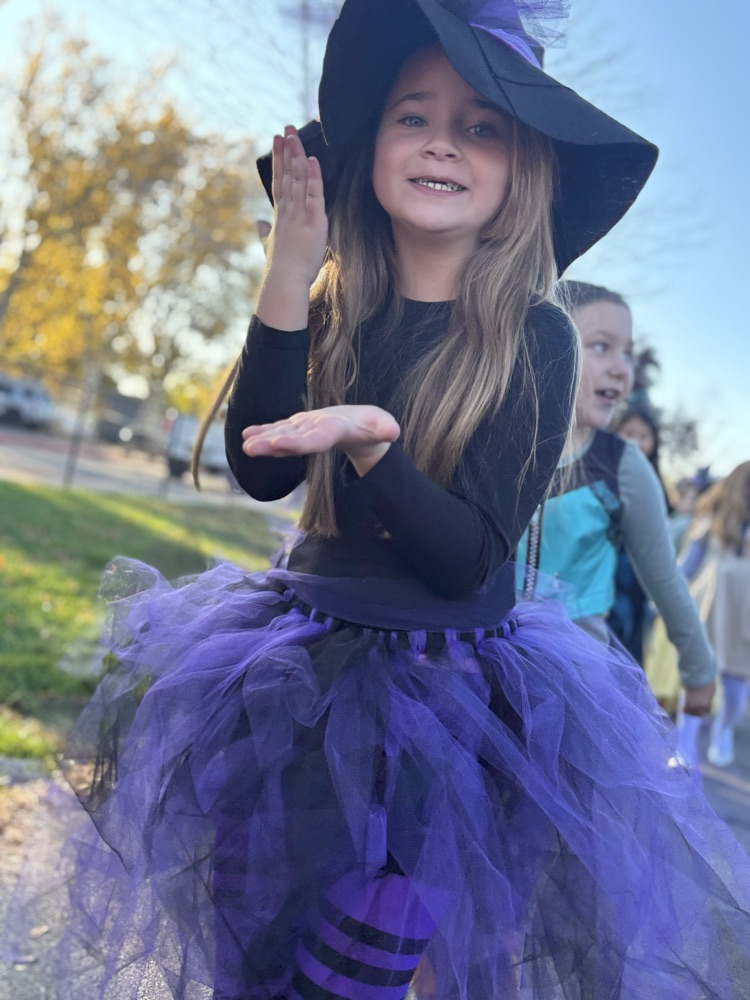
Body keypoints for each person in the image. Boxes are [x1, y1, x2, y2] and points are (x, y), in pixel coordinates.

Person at [8, 3, 750, 999]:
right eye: (414, 114)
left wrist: (369, 445)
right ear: (375, 149)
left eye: (482, 124)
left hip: (449, 711)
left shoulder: (538, 339)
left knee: (353, 968)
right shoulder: (331, 299)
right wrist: (287, 264)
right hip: (292, 683)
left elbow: (464, 556)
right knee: (254, 951)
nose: (444, 138)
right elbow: (262, 462)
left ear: (521, 168)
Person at [516, 280, 717, 724]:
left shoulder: (622, 464)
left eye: (627, 353)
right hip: (476, 669)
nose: (622, 369)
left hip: (575, 685)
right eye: (603, 346)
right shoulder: (494, 441)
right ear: (545, 345)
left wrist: (698, 668)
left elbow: (663, 578)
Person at [679, 462, 750, 767]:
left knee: (735, 692)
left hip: (744, 622)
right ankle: (685, 743)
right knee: (697, 680)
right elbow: (685, 566)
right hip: (708, 614)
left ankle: (724, 729)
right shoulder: (713, 520)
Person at [608, 393, 671, 662]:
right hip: (608, 575)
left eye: (643, 435)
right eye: (629, 432)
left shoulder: (657, 484)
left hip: (638, 576)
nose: (635, 441)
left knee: (632, 644)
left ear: (654, 442)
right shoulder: (603, 475)